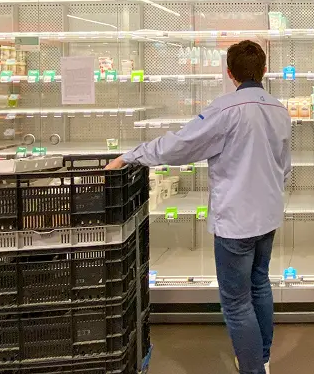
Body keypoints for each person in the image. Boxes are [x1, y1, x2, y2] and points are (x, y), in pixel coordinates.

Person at [106, 40, 290, 374]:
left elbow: (179, 146)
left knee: (236, 301)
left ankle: (252, 368)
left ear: (229, 72)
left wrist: (130, 155)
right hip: (268, 215)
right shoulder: (279, 109)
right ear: (263, 71)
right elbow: (284, 166)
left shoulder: (225, 110)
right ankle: (261, 357)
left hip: (236, 220)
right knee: (259, 284)